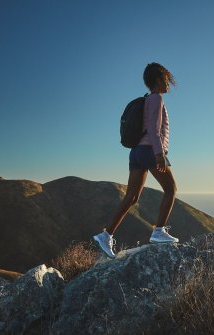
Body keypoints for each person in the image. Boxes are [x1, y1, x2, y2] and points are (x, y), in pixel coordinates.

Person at [93, 62, 179, 258]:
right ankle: (159, 231)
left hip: (136, 153)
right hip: (150, 150)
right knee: (171, 189)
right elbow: (155, 131)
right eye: (166, 79)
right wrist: (160, 154)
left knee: (131, 197)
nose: (168, 83)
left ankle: (106, 235)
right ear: (158, 79)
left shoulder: (147, 99)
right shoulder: (156, 99)